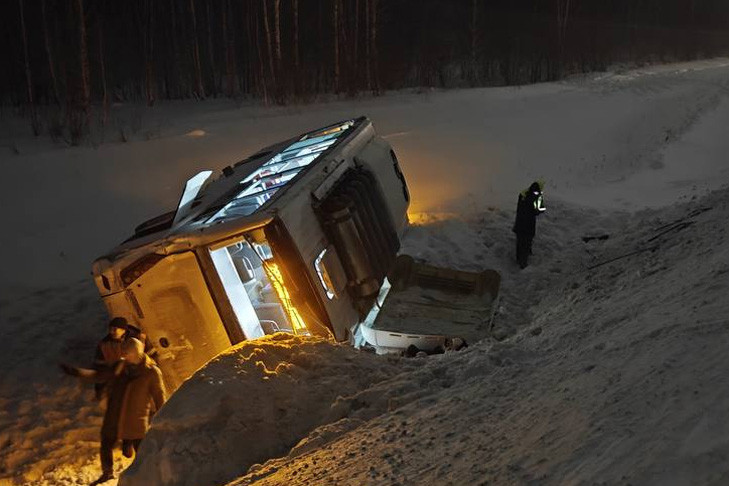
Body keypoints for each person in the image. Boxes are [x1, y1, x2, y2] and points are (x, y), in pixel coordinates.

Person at [62, 338, 166, 484]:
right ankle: (107, 472)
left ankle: (146, 477)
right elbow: (100, 375)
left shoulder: (151, 373)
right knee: (106, 443)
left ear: (136, 353)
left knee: (141, 451)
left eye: (127, 353)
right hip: (114, 414)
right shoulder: (120, 367)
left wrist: (163, 417)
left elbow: (159, 395)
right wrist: (78, 372)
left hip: (135, 418)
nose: (123, 356)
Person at [512, 181, 546, 269]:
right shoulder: (536, 197)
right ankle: (523, 263)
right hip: (528, 225)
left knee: (519, 242)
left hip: (519, 223)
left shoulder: (522, 195)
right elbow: (538, 210)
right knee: (526, 244)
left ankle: (518, 259)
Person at [93, 317, 128, 400]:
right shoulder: (104, 345)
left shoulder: (134, 341)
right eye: (110, 329)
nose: (111, 332)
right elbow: (100, 367)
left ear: (123, 330)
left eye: (115, 329)